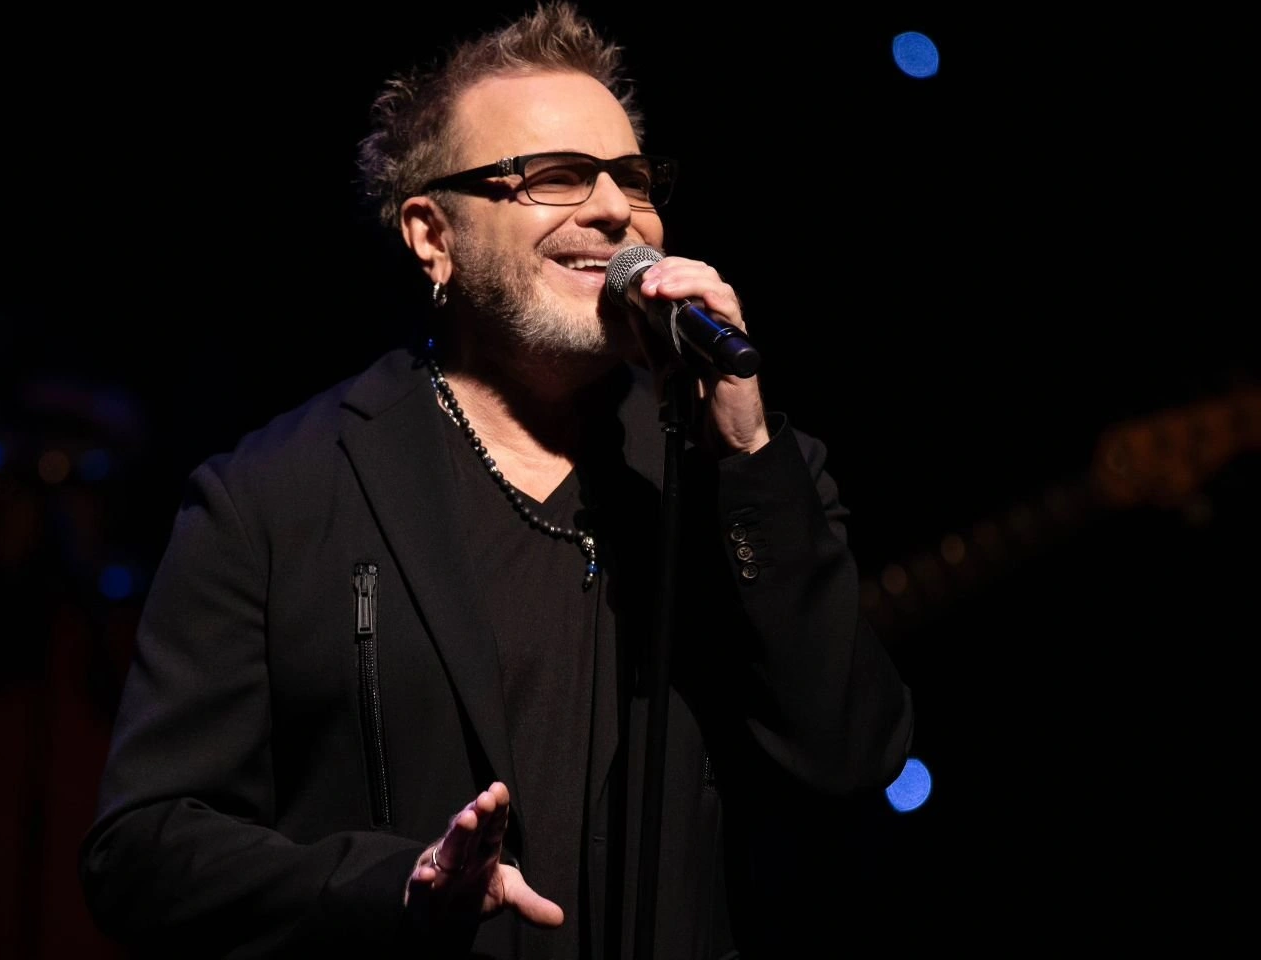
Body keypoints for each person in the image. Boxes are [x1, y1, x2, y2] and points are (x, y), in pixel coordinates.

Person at [78, 3, 914, 956]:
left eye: (633, 178)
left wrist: (747, 455)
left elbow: (852, 756)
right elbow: (142, 855)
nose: (616, 210)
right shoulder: (273, 498)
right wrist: (393, 888)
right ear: (432, 235)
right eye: (555, 176)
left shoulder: (746, 479)